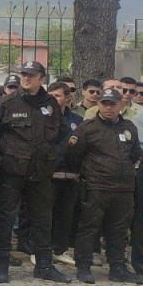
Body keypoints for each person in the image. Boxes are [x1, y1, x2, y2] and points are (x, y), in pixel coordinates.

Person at [0, 60, 68, 283]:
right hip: (12, 171)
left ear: (42, 78)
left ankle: (44, 266)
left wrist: (53, 157)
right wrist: (0, 152)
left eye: (31, 75)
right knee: (5, 218)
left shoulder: (50, 104)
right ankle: (1, 266)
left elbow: (62, 135)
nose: (26, 78)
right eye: (23, 74)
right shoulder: (8, 103)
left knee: (42, 219)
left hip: (41, 172)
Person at [65, 88, 142, 283]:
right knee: (89, 227)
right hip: (97, 186)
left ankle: (117, 267)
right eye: (105, 103)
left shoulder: (129, 128)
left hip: (124, 189)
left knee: (118, 229)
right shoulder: (87, 128)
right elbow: (74, 155)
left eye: (112, 104)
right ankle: (83, 266)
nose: (108, 107)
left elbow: (134, 154)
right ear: (99, 104)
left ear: (121, 105)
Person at [47, 81, 82, 266]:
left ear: (67, 98)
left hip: (71, 175)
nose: (53, 99)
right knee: (45, 215)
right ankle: (42, 250)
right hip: (50, 174)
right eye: (50, 96)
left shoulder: (77, 120)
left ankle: (59, 249)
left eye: (57, 96)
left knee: (65, 215)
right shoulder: (43, 118)